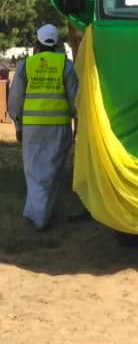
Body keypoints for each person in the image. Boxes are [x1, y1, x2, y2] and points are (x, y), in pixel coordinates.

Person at [8, 24, 78, 230]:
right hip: (59, 128)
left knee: (33, 172)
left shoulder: (26, 66)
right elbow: (76, 100)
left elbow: (15, 101)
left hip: (32, 128)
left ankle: (38, 218)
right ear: (56, 45)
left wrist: (18, 124)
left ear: (36, 43)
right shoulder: (66, 66)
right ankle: (39, 214)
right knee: (51, 172)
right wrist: (77, 122)